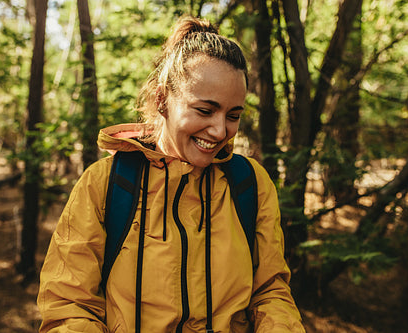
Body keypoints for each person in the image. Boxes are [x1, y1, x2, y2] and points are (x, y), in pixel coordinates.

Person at [37, 16, 305, 333]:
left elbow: (270, 294)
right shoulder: (105, 185)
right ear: (162, 100)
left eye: (233, 115)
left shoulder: (250, 184)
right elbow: (70, 306)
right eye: (205, 110)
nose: (221, 131)